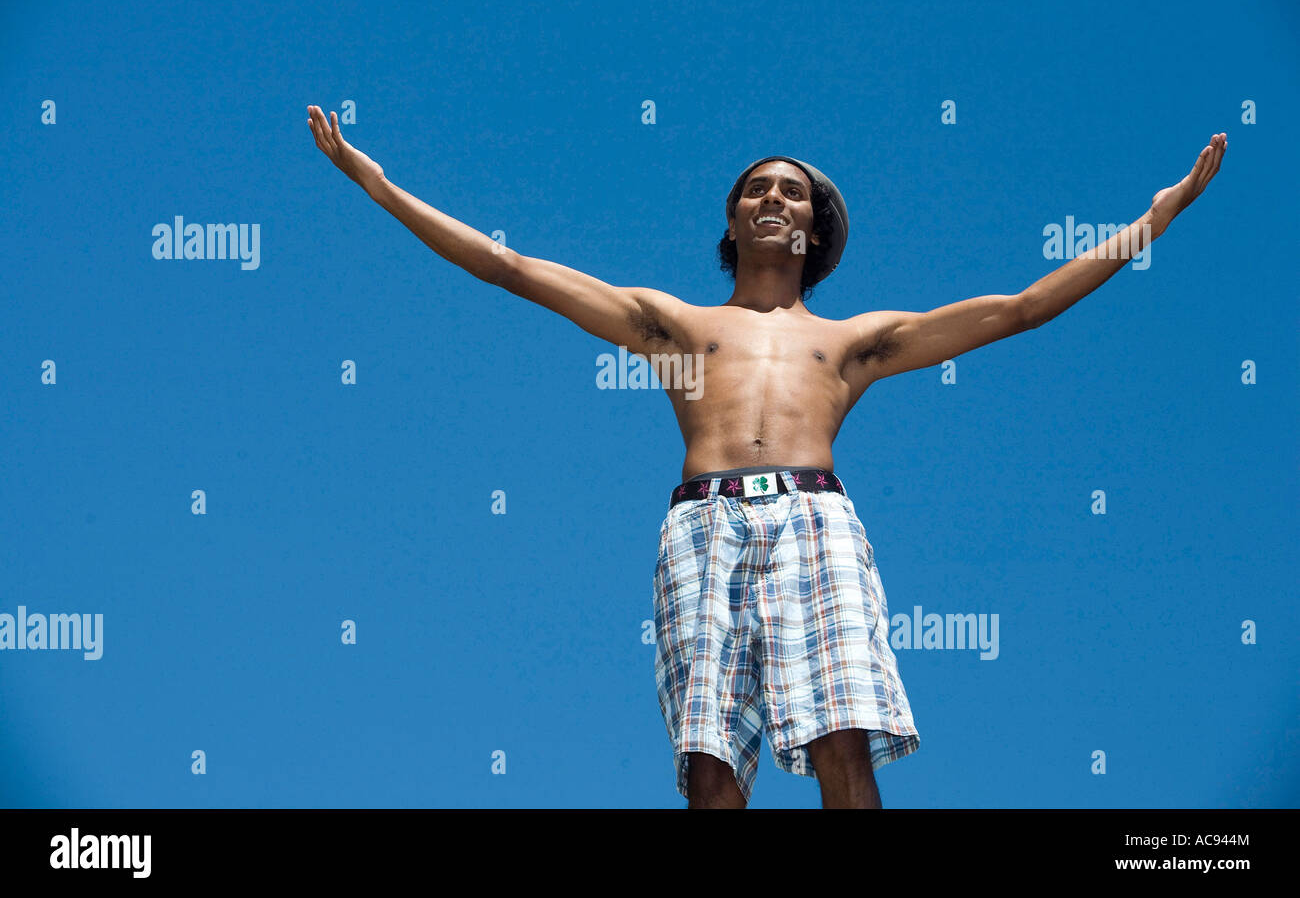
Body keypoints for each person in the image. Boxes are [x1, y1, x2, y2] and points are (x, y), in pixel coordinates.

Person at [306, 107, 1226, 807]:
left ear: (815, 230)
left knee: (842, 742)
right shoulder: (676, 326)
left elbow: (1023, 306)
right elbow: (512, 269)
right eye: (756, 188)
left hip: (813, 518)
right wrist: (376, 184)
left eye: (792, 192)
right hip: (700, 525)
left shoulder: (855, 340)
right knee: (708, 768)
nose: (773, 198)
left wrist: (1156, 219)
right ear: (734, 222)